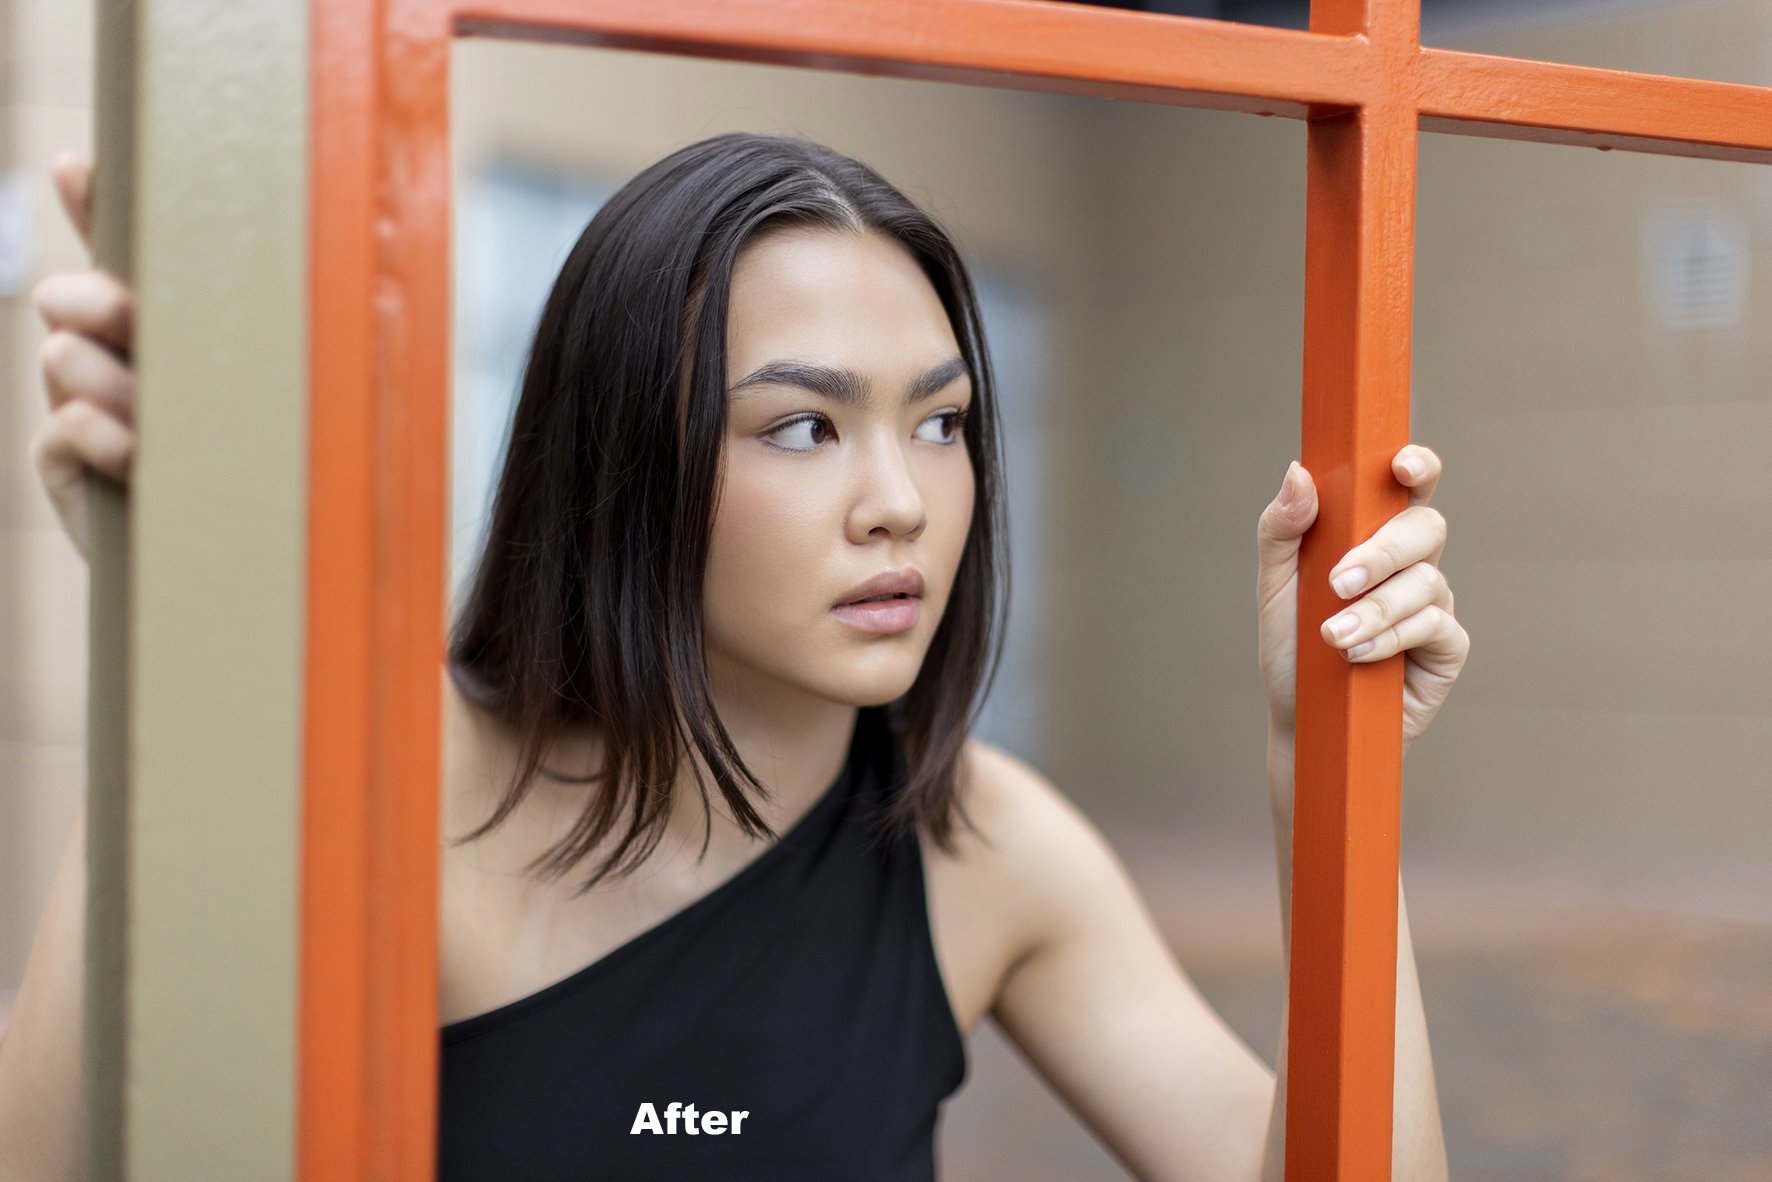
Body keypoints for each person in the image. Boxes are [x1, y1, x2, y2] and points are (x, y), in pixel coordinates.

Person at [2, 133, 1468, 1180]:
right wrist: (178, 642)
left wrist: (1324, 768)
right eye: (804, 425)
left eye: (942, 420)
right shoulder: (395, 772)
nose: (901, 496)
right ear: (622, 460)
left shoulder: (983, 846)